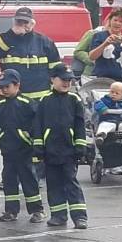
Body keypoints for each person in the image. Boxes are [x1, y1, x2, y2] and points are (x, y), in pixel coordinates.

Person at [33, 63, 88, 229]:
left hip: (69, 151)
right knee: (54, 184)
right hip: (50, 152)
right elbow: (38, 126)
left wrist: (80, 146)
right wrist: (39, 148)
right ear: (52, 79)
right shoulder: (44, 101)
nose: (66, 83)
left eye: (69, 80)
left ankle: (80, 217)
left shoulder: (74, 100)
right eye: (63, 79)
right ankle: (58, 216)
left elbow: (80, 125)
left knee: (71, 183)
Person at [0, 69, 45, 223]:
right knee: (9, 181)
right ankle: (10, 211)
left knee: (29, 180)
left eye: (7, 86)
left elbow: (37, 124)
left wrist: (27, 137)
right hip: (8, 152)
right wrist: (0, 136)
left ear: (17, 85)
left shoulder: (27, 103)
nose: (4, 90)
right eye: (2, 87)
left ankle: (37, 210)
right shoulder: (0, 106)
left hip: (24, 152)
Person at [0, 7, 61, 100]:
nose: (22, 25)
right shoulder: (5, 39)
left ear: (32, 23)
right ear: (14, 22)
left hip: (40, 99)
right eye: (19, 22)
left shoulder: (45, 42)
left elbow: (57, 71)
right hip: (13, 100)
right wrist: (13, 34)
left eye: (25, 22)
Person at [88, 7, 122, 83]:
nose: (117, 23)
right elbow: (91, 57)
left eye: (121, 21)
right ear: (110, 21)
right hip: (100, 78)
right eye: (115, 20)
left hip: (120, 80)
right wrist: (105, 44)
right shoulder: (99, 36)